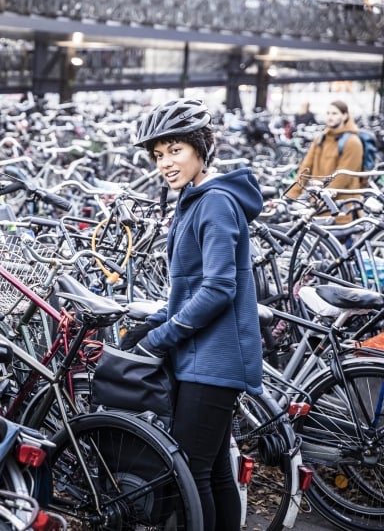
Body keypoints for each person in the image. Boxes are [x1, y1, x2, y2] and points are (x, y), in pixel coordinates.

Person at [120, 98, 264, 531]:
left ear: (203, 148)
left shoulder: (215, 203)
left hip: (214, 361)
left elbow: (219, 287)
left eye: (176, 150)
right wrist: (156, 322)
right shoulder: (194, 199)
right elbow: (188, 285)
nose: (165, 163)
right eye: (159, 155)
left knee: (190, 473)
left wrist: (161, 336)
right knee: (216, 469)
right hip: (202, 355)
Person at [284, 100, 364, 223]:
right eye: (328, 113)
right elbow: (306, 167)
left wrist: (324, 197)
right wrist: (291, 195)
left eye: (334, 113)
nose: (330, 117)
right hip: (319, 204)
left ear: (345, 116)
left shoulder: (353, 142)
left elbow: (344, 176)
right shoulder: (321, 138)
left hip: (341, 207)